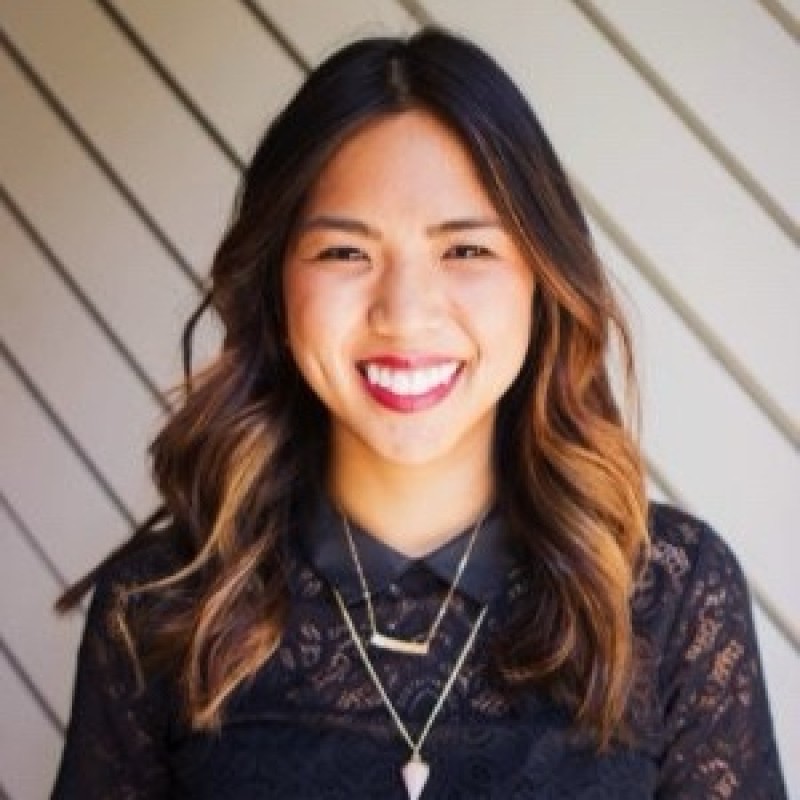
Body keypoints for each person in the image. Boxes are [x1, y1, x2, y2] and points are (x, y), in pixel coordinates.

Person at [51, 29, 786, 799]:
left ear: (542, 280)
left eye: (465, 251)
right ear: (275, 285)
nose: (404, 314)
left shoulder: (671, 598)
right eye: (346, 253)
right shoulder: (163, 610)